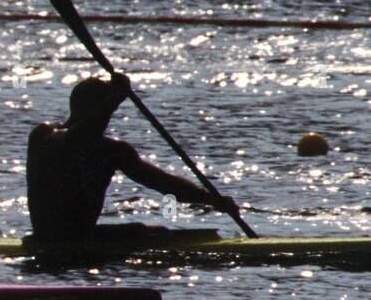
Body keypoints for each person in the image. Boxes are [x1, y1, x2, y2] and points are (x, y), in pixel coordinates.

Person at [26, 73, 239, 240]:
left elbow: (162, 182)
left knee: (154, 232)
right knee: (144, 232)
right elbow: (77, 138)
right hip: (50, 236)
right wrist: (114, 99)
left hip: (83, 236)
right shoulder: (46, 136)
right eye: (107, 109)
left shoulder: (113, 150)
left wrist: (210, 199)